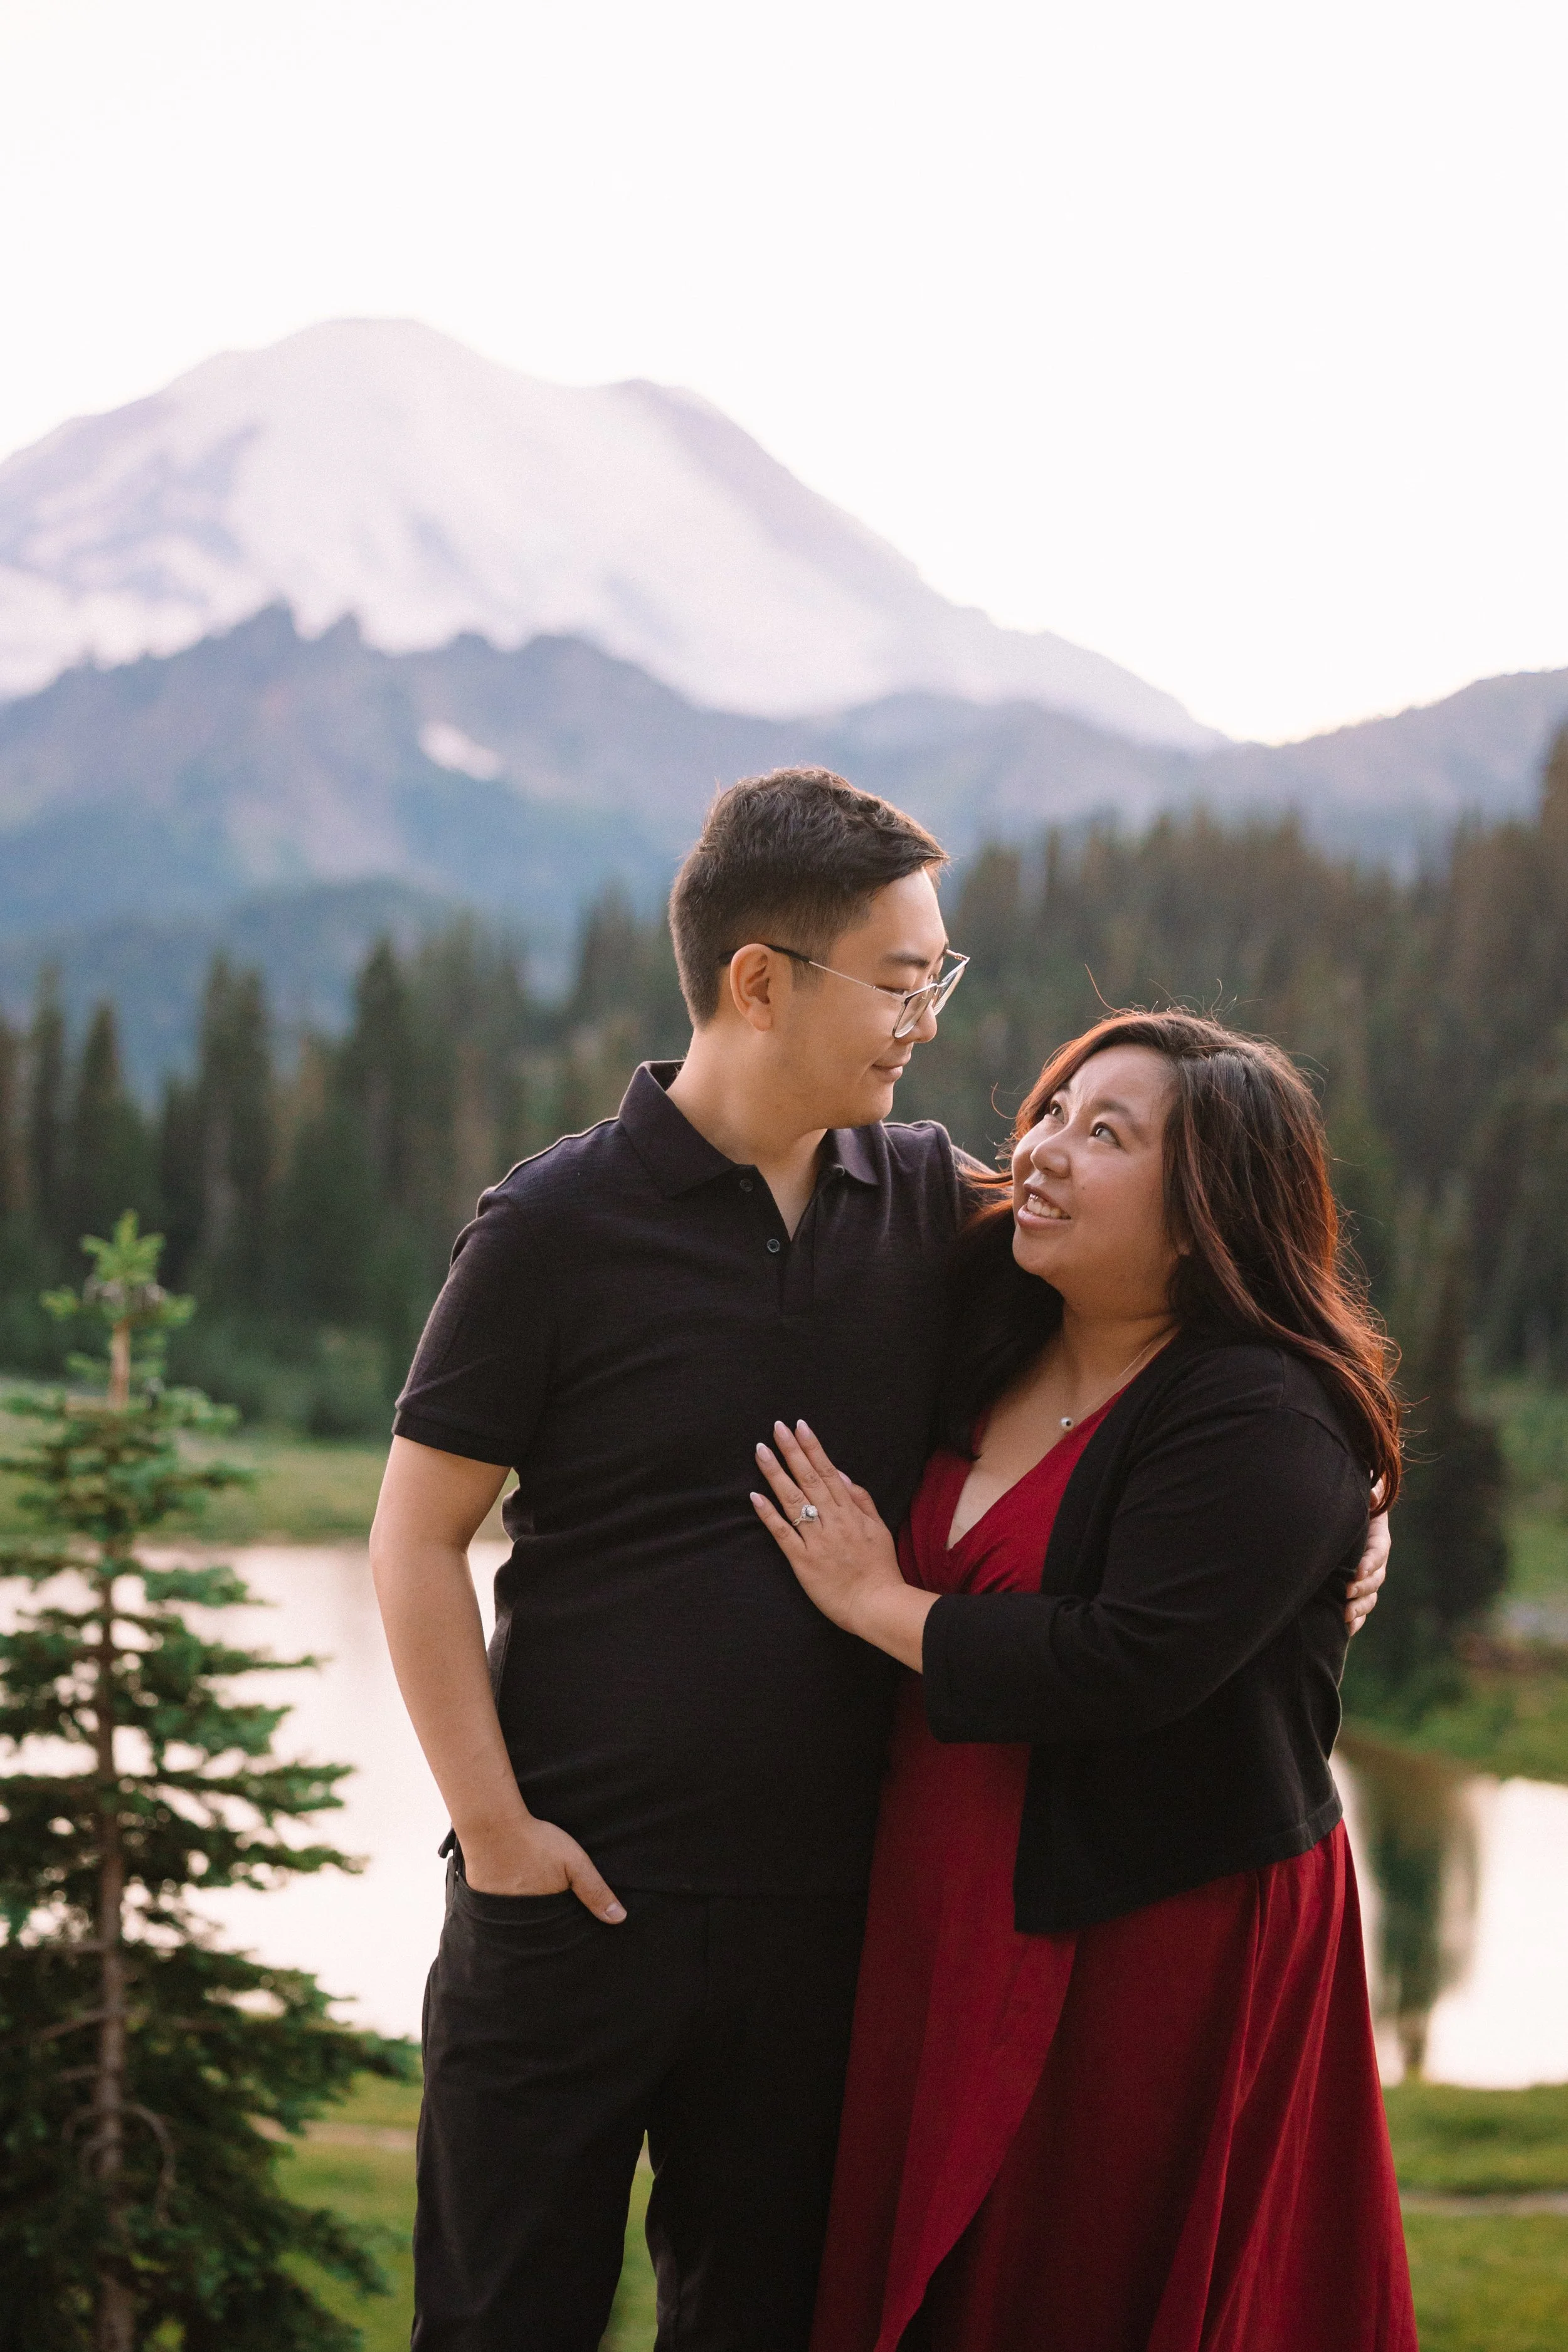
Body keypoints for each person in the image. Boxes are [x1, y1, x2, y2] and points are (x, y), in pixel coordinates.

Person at [370, 772, 1388, 2352]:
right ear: (762, 981)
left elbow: (1178, 1281)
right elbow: (415, 1536)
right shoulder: (553, 1225)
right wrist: (495, 1837)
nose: (928, 1017)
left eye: (941, 977)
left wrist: (1346, 1509)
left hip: (822, 1928)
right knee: (501, 2322)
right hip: (569, 1902)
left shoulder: (928, 1203)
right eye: (902, 979)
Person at [752, 1010, 1417, 2352]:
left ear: (1201, 1215)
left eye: (1102, 1134)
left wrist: (876, 1598)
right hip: (944, 1883)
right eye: (1049, 1110)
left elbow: (1126, 1662)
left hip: (1145, 1922)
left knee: (1074, 2280)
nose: (1042, 1152)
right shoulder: (985, 1316)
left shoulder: (1263, 1412)